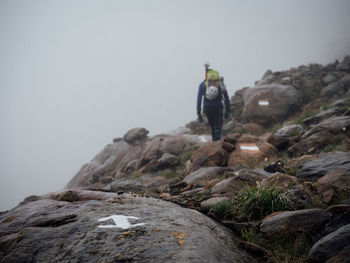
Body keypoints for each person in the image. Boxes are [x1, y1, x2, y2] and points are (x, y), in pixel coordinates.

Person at [197, 63, 231, 141]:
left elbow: (199, 99)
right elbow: (226, 98)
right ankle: (217, 144)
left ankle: (214, 143)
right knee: (218, 127)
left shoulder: (202, 85)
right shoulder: (220, 83)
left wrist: (199, 113)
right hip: (218, 107)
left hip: (207, 107)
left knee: (212, 127)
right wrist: (227, 112)